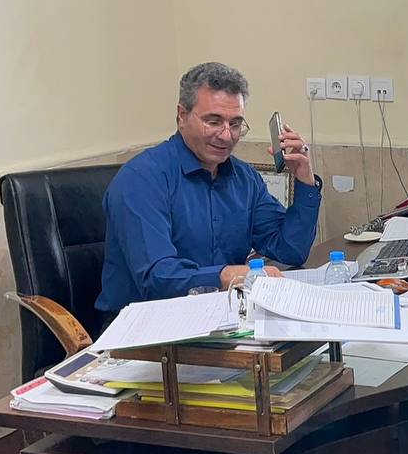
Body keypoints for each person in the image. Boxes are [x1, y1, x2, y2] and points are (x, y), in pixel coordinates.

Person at [96, 62, 322, 313]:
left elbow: (291, 250)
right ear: (182, 116)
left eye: (235, 124)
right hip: (146, 324)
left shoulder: (244, 178)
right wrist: (227, 275)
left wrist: (305, 180)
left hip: (222, 316)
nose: (226, 135)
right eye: (213, 122)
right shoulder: (141, 179)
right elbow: (157, 278)